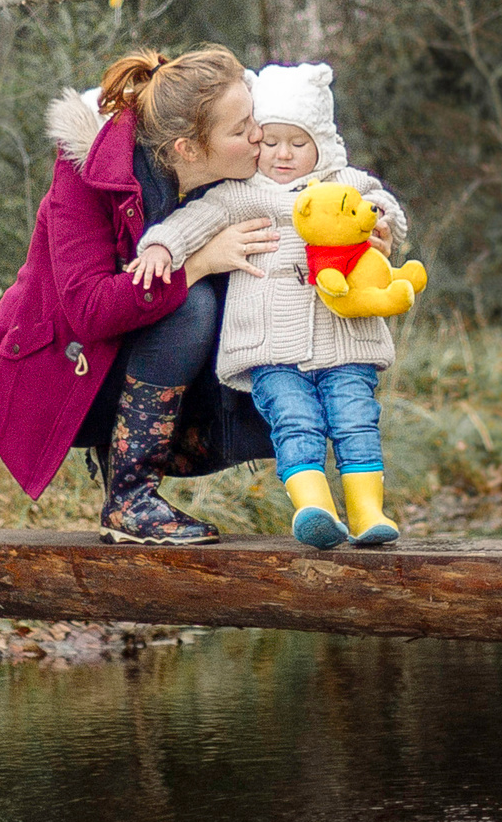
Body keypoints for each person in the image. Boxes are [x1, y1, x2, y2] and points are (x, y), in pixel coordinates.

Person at [0, 45, 281, 544]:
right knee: (190, 305)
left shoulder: (237, 169)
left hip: (138, 363)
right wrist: (197, 264)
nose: (257, 135)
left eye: (252, 118)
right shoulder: (86, 177)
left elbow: (314, 195)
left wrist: (373, 229)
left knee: (218, 294)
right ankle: (129, 499)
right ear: (186, 149)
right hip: (70, 370)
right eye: (240, 130)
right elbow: (89, 311)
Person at [126, 63, 412, 550]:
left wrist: (383, 225)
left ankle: (368, 513)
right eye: (271, 141)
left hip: (346, 340)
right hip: (271, 347)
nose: (282, 155)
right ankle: (313, 508)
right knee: (294, 422)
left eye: (298, 144)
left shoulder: (344, 183)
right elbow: (194, 220)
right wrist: (160, 248)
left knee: (356, 419)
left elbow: (385, 206)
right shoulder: (241, 194)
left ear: (321, 143)